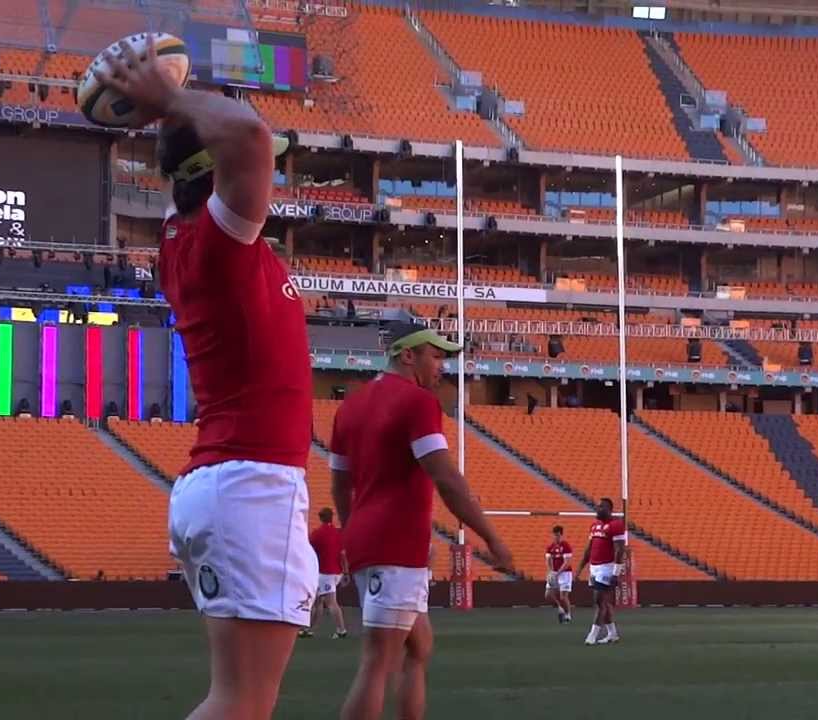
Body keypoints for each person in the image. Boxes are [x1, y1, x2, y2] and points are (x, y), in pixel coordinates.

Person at [94, 34, 316, 720]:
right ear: (211, 172)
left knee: (236, 698)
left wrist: (167, 111)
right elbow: (247, 136)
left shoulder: (179, 238)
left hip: (226, 486)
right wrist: (167, 99)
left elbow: (216, 152)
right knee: (244, 703)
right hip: (252, 484)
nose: (274, 179)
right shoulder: (219, 244)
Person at [330, 322, 513, 720]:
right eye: (436, 355)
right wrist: (493, 539)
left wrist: (349, 536)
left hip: (367, 538)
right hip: (395, 543)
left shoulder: (350, 406)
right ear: (406, 355)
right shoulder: (416, 402)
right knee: (379, 661)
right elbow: (447, 479)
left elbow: (339, 485)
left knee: (418, 646)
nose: (442, 365)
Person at [576, 497, 626, 645]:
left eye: (602, 507)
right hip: (594, 567)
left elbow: (619, 550)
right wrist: (580, 568)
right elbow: (589, 548)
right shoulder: (594, 526)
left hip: (607, 567)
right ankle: (612, 634)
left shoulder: (616, 525)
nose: (598, 509)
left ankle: (592, 635)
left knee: (599, 600)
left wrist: (616, 573)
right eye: (597, 506)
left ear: (609, 509)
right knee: (603, 602)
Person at [304, 507, 349, 640]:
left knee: (330, 603)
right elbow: (343, 555)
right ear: (331, 517)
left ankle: (341, 630)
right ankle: (308, 629)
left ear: (320, 518)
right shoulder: (338, 534)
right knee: (317, 601)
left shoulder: (316, 534)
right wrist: (346, 572)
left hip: (325, 573)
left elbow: (308, 552)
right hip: (337, 572)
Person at [544, 525, 573, 624]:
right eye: (554, 535)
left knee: (563, 596)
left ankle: (568, 614)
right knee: (548, 594)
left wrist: (558, 573)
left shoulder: (566, 546)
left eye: (558, 535)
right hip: (555, 573)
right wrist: (551, 572)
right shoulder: (550, 547)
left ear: (561, 535)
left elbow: (567, 562)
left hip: (565, 573)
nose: (556, 537)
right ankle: (560, 608)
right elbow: (548, 560)